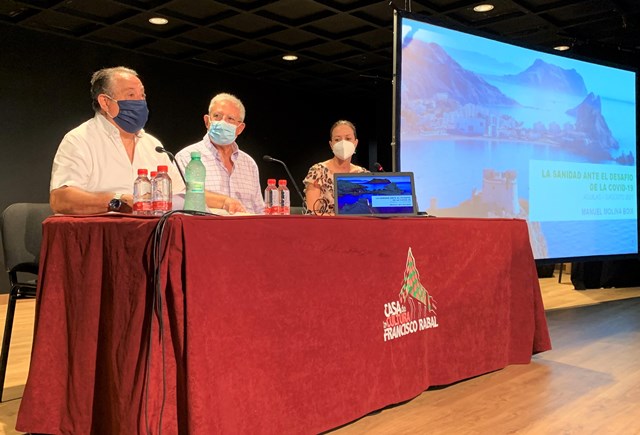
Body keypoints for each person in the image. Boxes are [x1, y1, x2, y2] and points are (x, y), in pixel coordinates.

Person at [49, 66, 245, 215]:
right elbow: (60, 199)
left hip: (151, 241)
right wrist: (117, 200)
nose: (140, 102)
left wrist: (224, 202)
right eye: (131, 95)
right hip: (101, 241)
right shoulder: (79, 140)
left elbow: (182, 195)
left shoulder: (153, 145)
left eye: (142, 95)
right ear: (105, 102)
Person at [175, 93, 264, 214]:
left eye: (230, 119)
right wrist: (223, 201)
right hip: (205, 230)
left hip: (247, 231)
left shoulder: (249, 163)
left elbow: (259, 209)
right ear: (207, 121)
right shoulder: (186, 157)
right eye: (217, 116)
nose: (223, 122)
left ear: (240, 128)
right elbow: (180, 197)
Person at [303, 120, 368, 215]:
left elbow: (368, 211)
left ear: (355, 143)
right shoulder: (318, 171)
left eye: (348, 138)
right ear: (331, 144)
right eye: (337, 140)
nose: (343, 143)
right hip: (324, 227)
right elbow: (311, 212)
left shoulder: (363, 175)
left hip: (356, 227)